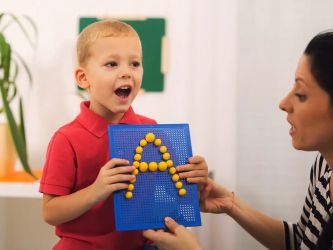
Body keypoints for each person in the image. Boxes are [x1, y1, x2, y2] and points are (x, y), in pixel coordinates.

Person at [143, 30, 333, 250]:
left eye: (301, 94)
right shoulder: (324, 167)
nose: (283, 103)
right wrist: (232, 205)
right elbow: (302, 241)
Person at [39, 19, 208, 250]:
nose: (127, 72)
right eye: (111, 64)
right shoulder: (66, 139)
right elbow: (50, 212)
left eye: (135, 64)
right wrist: (95, 191)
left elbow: (172, 192)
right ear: (83, 78)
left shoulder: (152, 132)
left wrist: (193, 178)